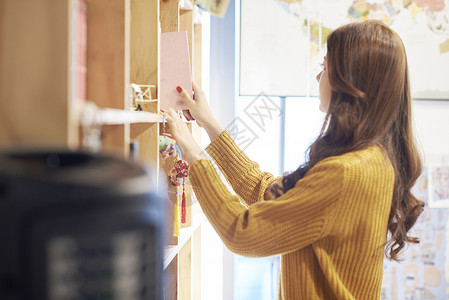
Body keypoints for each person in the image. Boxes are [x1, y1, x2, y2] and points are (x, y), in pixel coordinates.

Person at [163, 20, 425, 299]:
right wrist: (209, 124)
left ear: (350, 83)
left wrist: (194, 153)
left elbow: (242, 232)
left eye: (325, 68)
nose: (318, 78)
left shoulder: (346, 173)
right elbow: (267, 192)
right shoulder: (372, 160)